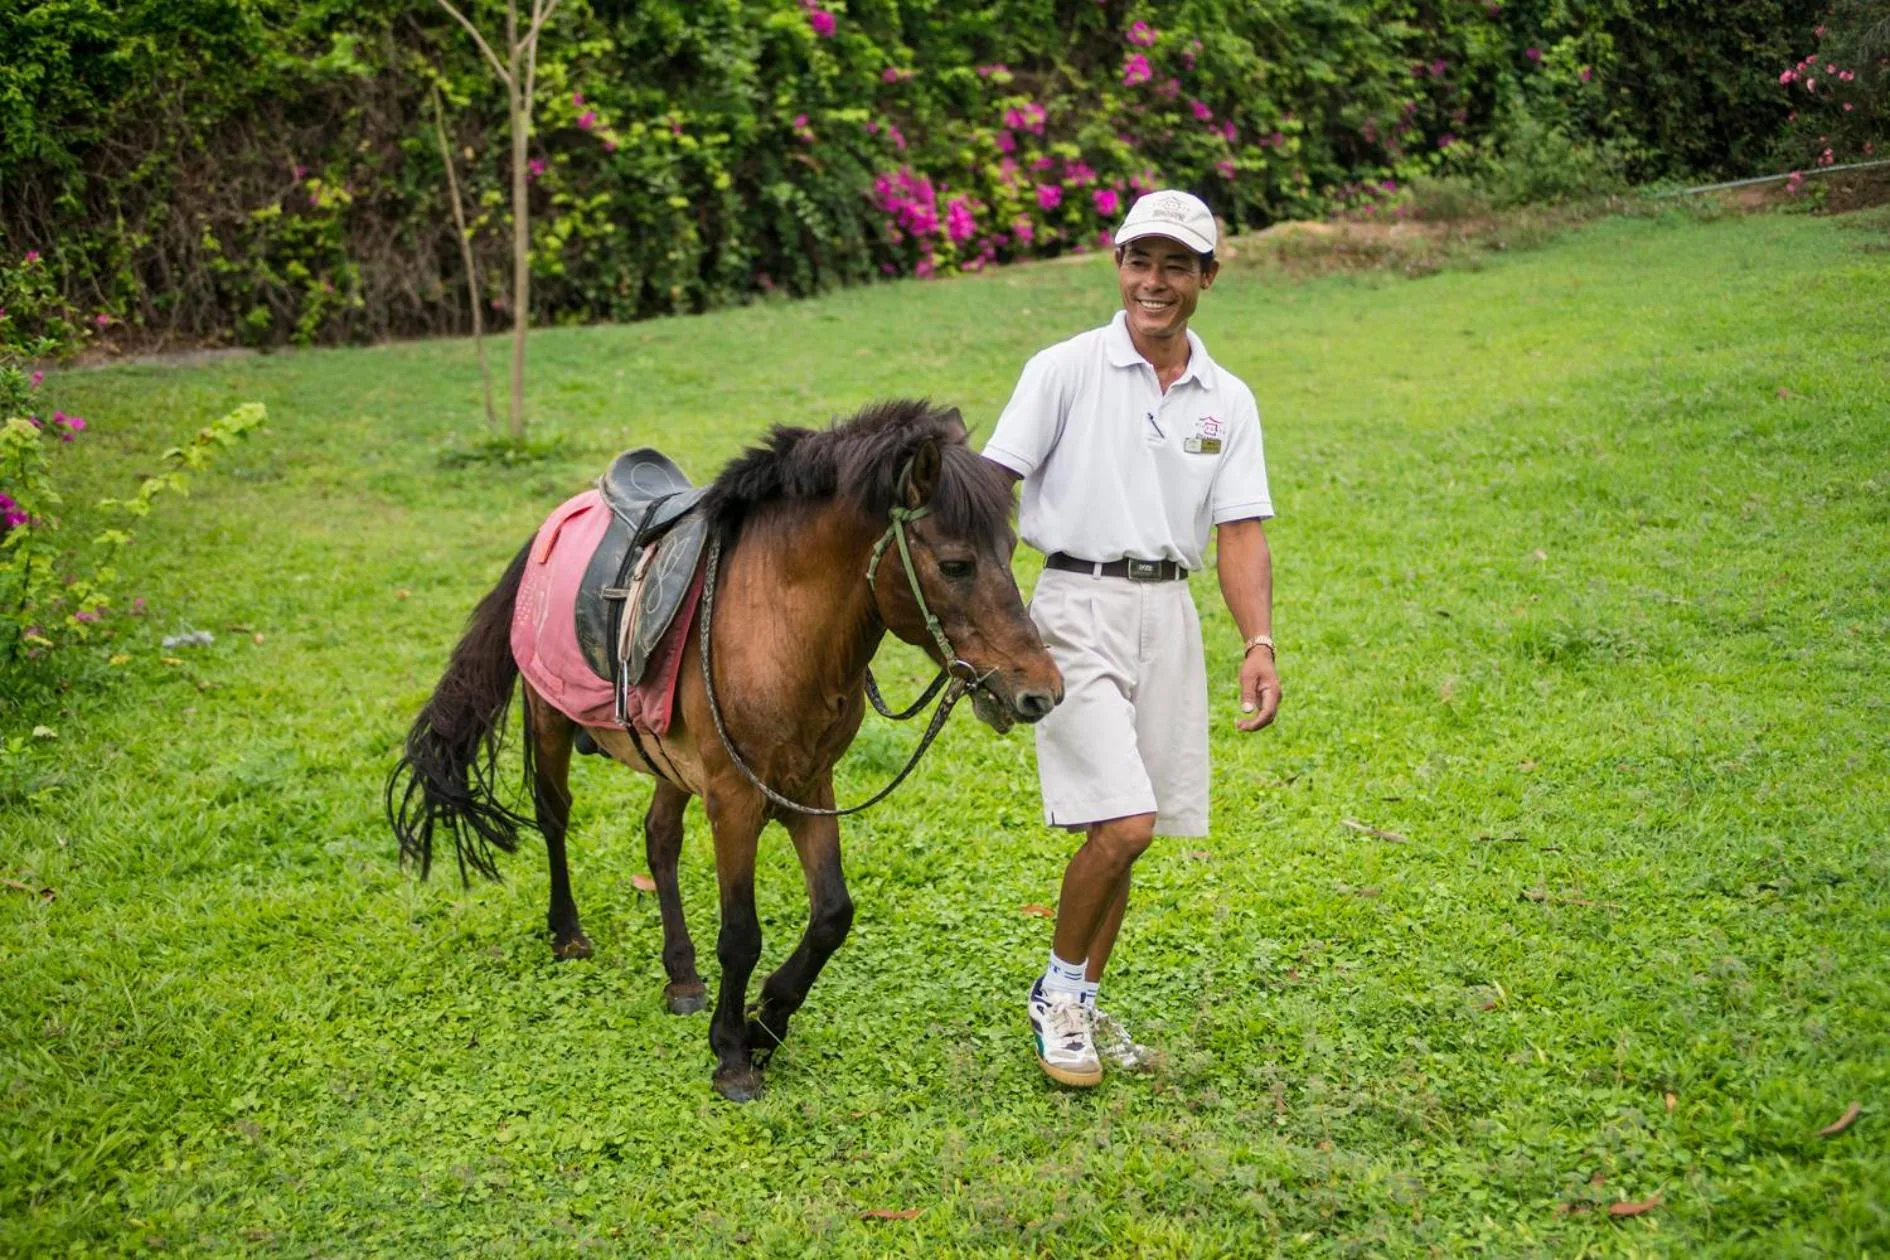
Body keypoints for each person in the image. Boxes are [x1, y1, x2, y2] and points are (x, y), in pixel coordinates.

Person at [982, 189, 1281, 1087]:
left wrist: (1258, 641)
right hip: (1072, 606)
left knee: (1136, 828)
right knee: (1125, 822)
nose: (1155, 283)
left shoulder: (1226, 399)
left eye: (1176, 266)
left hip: (1171, 616)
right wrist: (988, 630)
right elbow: (990, 490)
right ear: (1118, 266)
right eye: (1140, 262)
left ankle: (1081, 1000)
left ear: (1206, 279)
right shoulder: (1063, 369)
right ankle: (1058, 996)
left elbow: (1240, 529)